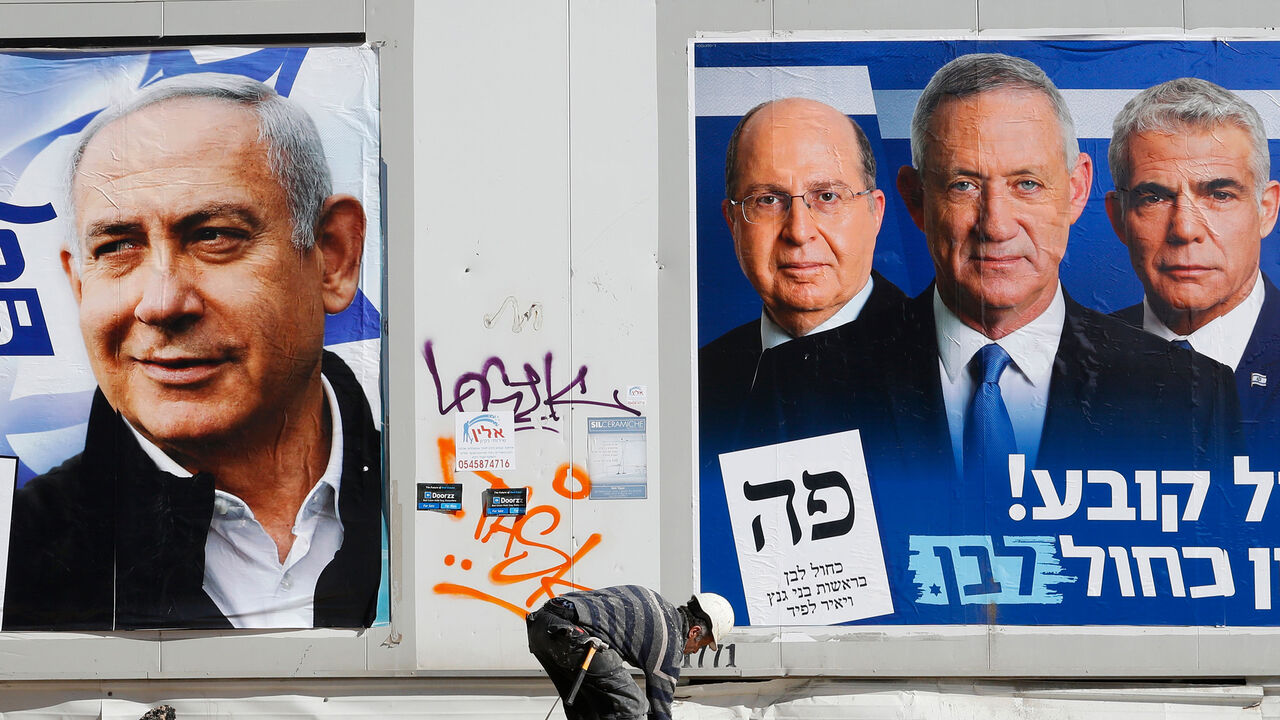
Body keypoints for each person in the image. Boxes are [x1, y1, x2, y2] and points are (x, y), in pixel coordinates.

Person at [2, 74, 381, 630]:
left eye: (214, 236)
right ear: (79, 285)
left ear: (334, 256)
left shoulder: (452, 504)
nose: (161, 302)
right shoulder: (20, 557)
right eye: (117, 247)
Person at [891, 53, 1240, 490]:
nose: (996, 225)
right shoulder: (808, 378)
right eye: (965, 185)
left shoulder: (1190, 395)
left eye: (1027, 184)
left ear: (1076, 191)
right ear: (916, 199)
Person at [1105, 77, 1280, 454]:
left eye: (1219, 194)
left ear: (1266, 209)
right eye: (1154, 197)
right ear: (1118, 218)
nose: (1184, 229)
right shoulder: (1061, 362)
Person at [526, 586, 733, 720]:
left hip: (541, 626)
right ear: (694, 631)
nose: (695, 651)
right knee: (633, 707)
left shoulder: (656, 601)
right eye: (701, 645)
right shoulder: (670, 644)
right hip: (572, 635)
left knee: (587, 712)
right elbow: (660, 713)